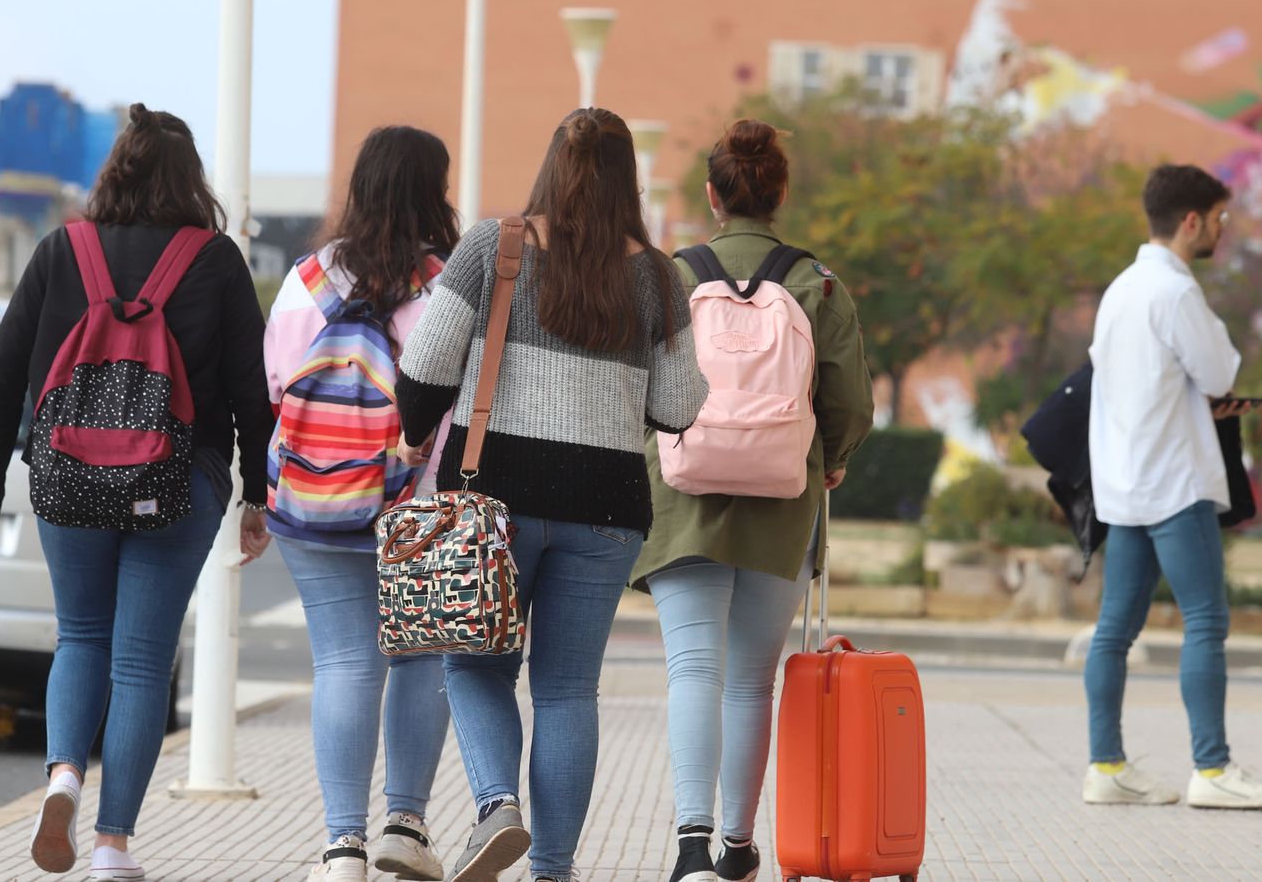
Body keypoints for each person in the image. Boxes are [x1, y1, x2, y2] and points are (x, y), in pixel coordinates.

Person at [393, 107, 709, 882]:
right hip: (606, 509)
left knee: (475, 667)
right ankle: (555, 871)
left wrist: (413, 433)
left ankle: (498, 807)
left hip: (490, 497)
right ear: (626, 177)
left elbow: (425, 368)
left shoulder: (494, 247)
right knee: (569, 691)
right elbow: (680, 406)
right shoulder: (659, 276)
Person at [0, 104, 276, 880]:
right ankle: (111, 847)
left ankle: (63, 775)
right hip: (179, 483)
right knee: (140, 662)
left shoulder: (60, 252)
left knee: (81, 638)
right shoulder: (217, 261)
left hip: (67, 476)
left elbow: (1, 376)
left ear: (116, 170)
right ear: (189, 180)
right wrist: (257, 496)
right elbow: (249, 392)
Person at [632, 119, 875, 882]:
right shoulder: (818, 282)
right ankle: (738, 847)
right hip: (783, 496)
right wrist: (828, 462)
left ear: (711, 194)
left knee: (693, 669)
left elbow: (636, 387)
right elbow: (851, 400)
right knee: (750, 678)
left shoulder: (669, 278)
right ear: (779, 195)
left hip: (680, 497)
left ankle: (690, 847)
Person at [262, 125, 459, 881]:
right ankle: (403, 826)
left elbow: (277, 388)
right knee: (422, 657)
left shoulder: (306, 279)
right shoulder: (446, 289)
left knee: (345, 664)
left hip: (314, 497)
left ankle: (342, 845)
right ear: (431, 193)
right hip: (419, 499)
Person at [1082, 163, 1262, 810]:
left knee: (1115, 630)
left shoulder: (1120, 289)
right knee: (1206, 620)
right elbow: (1219, 371)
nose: (1224, 231)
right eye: (1221, 218)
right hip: (1174, 483)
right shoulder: (1175, 292)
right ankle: (1213, 769)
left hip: (1124, 483)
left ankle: (1107, 766)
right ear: (1192, 219)